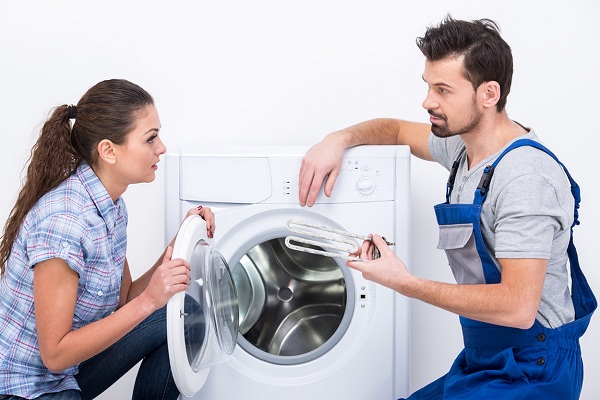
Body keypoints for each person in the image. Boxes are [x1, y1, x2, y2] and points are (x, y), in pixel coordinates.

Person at [298, 16, 596, 399]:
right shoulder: (462, 148)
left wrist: (404, 283)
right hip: (487, 358)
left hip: (534, 370)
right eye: (428, 86)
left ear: (489, 94)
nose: (427, 102)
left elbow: (518, 307)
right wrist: (337, 139)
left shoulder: (525, 178)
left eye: (443, 90)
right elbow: (395, 129)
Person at [0, 79, 215, 399]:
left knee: (188, 318)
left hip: (69, 371)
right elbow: (55, 355)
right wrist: (150, 301)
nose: (162, 147)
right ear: (109, 151)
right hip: (27, 387)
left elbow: (125, 300)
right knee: (158, 311)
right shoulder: (65, 224)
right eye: (151, 138)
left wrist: (179, 242)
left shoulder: (111, 208)